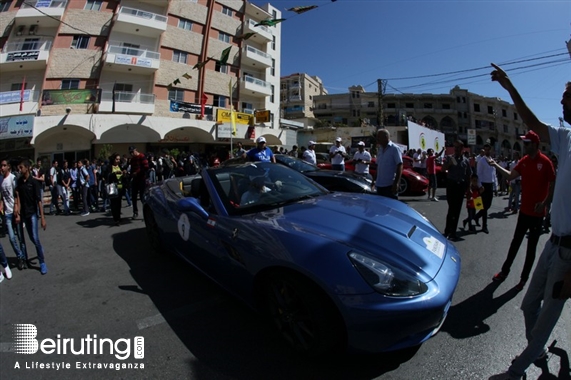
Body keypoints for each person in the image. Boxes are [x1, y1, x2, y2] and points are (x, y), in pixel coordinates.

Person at [487, 66, 571, 380]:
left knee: (548, 316)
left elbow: (551, 184)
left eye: (568, 97)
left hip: (569, 254)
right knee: (528, 306)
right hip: (555, 244)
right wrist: (509, 87)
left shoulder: (548, 159)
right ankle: (537, 348)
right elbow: (533, 122)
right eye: (561, 97)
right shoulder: (566, 138)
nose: (562, 102)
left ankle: (516, 371)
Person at [488, 130, 556, 291]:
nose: (524, 146)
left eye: (527, 143)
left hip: (537, 214)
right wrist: (496, 165)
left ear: (534, 145)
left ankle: (523, 279)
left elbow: (553, 185)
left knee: (531, 248)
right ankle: (504, 272)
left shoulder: (546, 162)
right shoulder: (524, 161)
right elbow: (511, 176)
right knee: (515, 242)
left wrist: (545, 203)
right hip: (524, 212)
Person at [14, 159, 47, 275]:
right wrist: (17, 212)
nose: (20, 169)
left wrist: (42, 217)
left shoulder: (33, 182)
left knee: (35, 238)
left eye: (21, 167)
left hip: (33, 213)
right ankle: (38, 251)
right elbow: (18, 198)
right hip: (24, 214)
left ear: (27, 168)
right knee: (31, 238)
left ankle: (42, 262)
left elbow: (39, 201)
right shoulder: (19, 182)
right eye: (19, 168)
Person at [442, 139, 472, 240]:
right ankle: (447, 231)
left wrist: (469, 189)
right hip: (451, 185)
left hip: (461, 186)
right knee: (451, 208)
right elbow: (443, 169)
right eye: (455, 147)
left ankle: (453, 232)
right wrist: (449, 164)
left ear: (462, 149)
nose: (456, 149)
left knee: (457, 209)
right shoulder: (450, 158)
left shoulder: (466, 160)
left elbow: (468, 175)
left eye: (459, 147)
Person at [1, 159, 26, 270]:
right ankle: (20, 256)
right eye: (1, 166)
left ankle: (24, 259)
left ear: (8, 167)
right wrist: (1, 204)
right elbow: (2, 195)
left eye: (4, 165)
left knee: (20, 237)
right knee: (11, 238)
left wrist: (17, 208)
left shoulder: (12, 178)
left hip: (15, 211)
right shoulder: (1, 179)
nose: (2, 167)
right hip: (7, 213)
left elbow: (17, 195)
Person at [374, 129, 402, 200]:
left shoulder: (394, 148)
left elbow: (399, 165)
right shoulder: (380, 149)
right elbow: (378, 166)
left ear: (386, 137)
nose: (377, 139)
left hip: (389, 185)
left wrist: (396, 183)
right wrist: (374, 180)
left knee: (391, 208)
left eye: (379, 137)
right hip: (379, 185)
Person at [475, 144, 495, 234]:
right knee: (484, 206)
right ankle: (484, 226)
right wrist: (479, 186)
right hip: (483, 185)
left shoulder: (492, 160)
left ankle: (476, 217)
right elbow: (478, 173)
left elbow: (493, 175)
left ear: (491, 150)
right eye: (485, 150)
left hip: (490, 185)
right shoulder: (482, 161)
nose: (487, 151)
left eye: (488, 150)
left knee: (488, 205)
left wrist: (495, 186)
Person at [128, 146, 149, 220]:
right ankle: (135, 212)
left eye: (132, 152)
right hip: (135, 179)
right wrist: (130, 175)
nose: (131, 153)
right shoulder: (132, 159)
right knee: (133, 196)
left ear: (136, 150)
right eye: (130, 152)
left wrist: (137, 173)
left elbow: (146, 167)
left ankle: (147, 212)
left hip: (142, 178)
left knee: (142, 196)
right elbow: (132, 169)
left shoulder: (141, 156)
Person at [107, 153, 126, 226]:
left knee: (119, 204)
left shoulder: (120, 166)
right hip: (113, 187)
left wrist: (124, 174)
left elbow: (123, 176)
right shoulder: (110, 167)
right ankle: (116, 219)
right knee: (114, 204)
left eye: (119, 159)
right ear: (113, 159)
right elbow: (108, 176)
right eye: (116, 159)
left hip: (120, 187)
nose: (118, 161)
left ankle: (118, 217)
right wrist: (115, 173)